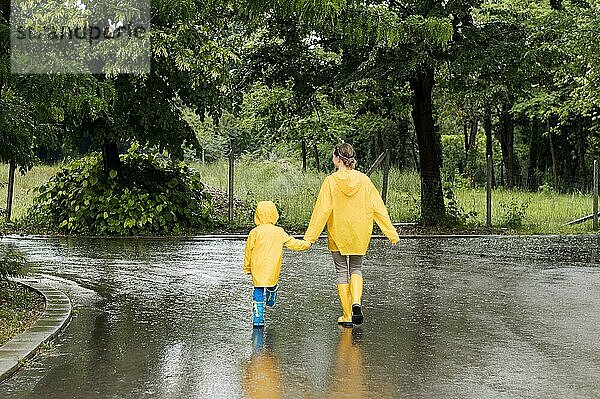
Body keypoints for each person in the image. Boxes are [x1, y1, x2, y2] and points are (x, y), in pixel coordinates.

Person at [304, 143, 399, 327]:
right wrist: (391, 233)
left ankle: (347, 315)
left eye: (333, 155)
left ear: (338, 158)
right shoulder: (364, 180)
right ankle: (356, 302)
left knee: (341, 271)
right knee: (356, 268)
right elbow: (378, 208)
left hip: (338, 232)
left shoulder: (330, 182)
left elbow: (321, 212)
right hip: (359, 231)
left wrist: (310, 238)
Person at [244, 200, 311, 328]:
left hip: (257, 266)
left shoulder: (255, 232)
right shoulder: (279, 231)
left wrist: (247, 267)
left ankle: (258, 318)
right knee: (271, 283)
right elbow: (292, 242)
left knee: (258, 289)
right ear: (274, 214)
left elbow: (248, 250)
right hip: (272, 266)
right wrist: (305, 244)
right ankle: (272, 294)